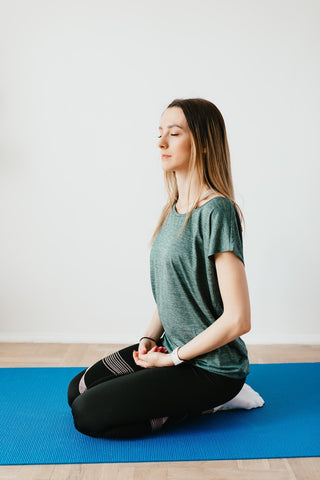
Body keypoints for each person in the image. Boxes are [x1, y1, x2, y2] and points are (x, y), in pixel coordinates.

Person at [67, 98, 251, 439]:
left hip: (212, 369)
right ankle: (177, 392)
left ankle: (208, 403)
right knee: (77, 389)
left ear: (205, 144)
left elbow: (238, 319)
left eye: (174, 133)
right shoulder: (172, 210)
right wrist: (149, 338)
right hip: (172, 349)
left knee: (88, 414)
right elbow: (172, 290)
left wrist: (173, 359)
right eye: (160, 133)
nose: (161, 143)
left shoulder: (217, 211)